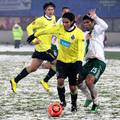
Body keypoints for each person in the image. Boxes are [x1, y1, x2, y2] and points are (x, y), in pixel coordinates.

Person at [27, 12, 85, 112]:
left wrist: (79, 61)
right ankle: (62, 102)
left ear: (72, 22)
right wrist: (34, 35)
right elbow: (47, 30)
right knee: (60, 81)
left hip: (74, 62)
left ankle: (74, 104)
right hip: (61, 61)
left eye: (67, 22)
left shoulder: (79, 33)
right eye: (63, 22)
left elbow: (81, 49)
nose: (64, 24)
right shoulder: (59, 28)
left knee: (72, 87)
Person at [10, 2, 56, 93]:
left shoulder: (54, 18)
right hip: (44, 48)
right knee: (58, 63)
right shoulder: (40, 20)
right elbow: (29, 27)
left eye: (52, 9)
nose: (51, 11)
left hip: (44, 48)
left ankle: (15, 80)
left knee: (33, 68)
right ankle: (45, 81)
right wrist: (34, 40)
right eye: (49, 10)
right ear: (45, 11)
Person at [77, 9, 108, 112]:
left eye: (88, 22)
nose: (86, 24)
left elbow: (105, 26)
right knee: (78, 82)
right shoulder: (84, 34)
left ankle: (96, 103)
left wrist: (95, 17)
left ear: (93, 22)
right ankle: (89, 97)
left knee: (89, 81)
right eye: (84, 22)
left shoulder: (97, 30)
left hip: (99, 61)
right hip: (89, 62)